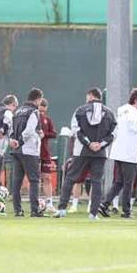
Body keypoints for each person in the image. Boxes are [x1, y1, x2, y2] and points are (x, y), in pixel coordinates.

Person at [54, 88, 117, 220]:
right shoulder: (110, 113)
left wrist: (88, 143)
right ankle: (93, 213)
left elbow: (75, 130)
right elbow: (113, 134)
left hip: (81, 151)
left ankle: (62, 209)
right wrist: (100, 144)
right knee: (96, 181)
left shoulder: (80, 110)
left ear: (90, 96)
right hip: (100, 152)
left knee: (70, 178)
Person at [101, 89, 137, 218]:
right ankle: (126, 210)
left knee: (119, 182)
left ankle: (104, 204)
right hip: (128, 153)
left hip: (120, 152)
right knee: (128, 183)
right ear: (136, 100)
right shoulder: (131, 113)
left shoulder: (123, 111)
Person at [10, 88, 45, 217]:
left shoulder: (18, 111)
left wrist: (14, 141)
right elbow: (29, 130)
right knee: (34, 180)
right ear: (38, 99)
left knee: (17, 181)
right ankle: (35, 210)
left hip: (16, 150)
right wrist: (20, 141)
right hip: (29, 150)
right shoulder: (33, 111)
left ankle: (17, 210)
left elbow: (11, 129)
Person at [38, 98, 59, 210]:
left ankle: (49, 203)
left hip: (45, 153)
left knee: (47, 177)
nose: (41, 113)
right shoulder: (31, 118)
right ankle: (35, 202)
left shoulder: (47, 119)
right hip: (33, 153)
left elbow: (54, 134)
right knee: (34, 179)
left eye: (43, 110)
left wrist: (44, 134)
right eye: (39, 110)